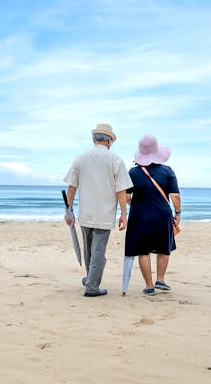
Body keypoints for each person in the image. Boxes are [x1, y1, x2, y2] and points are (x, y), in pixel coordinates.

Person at [64, 123, 132, 297]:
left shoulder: (81, 157)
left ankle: (90, 279)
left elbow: (72, 186)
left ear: (94, 139)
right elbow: (121, 190)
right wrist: (124, 213)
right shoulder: (115, 159)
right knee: (98, 252)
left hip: (85, 212)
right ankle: (92, 287)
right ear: (109, 140)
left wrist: (68, 209)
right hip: (105, 213)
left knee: (89, 250)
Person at [124, 135, 180, 295]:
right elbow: (175, 196)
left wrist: (136, 203)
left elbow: (127, 196)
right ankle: (160, 280)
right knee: (164, 247)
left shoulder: (133, 172)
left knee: (143, 250)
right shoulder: (167, 171)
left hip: (140, 215)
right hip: (162, 214)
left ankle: (149, 286)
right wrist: (178, 214)